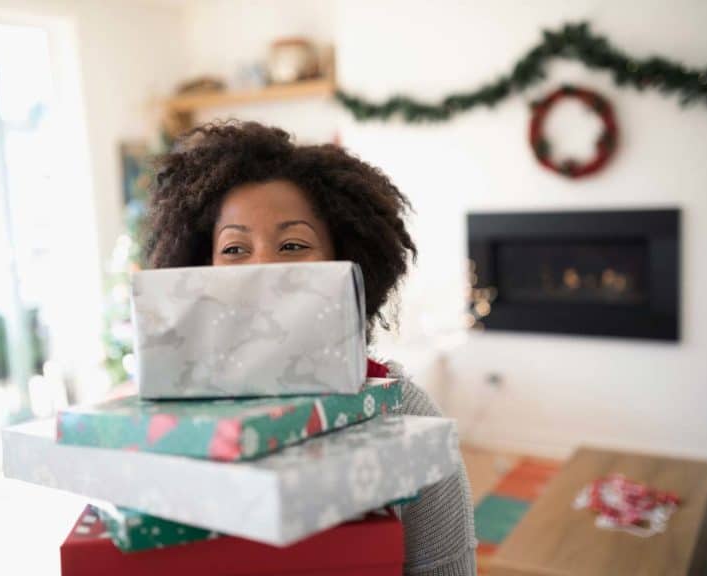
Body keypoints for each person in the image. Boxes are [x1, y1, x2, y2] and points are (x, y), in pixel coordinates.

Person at [145, 120, 477, 575]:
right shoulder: (163, 423)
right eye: (236, 249)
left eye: (293, 244)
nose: (262, 270)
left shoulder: (408, 415)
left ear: (348, 262)